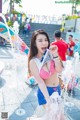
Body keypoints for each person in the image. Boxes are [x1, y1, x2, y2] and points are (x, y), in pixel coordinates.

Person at [28, 29, 64, 120]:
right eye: (40, 40)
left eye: (46, 40)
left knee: (58, 117)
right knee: (55, 117)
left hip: (57, 89)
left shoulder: (51, 54)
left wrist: (55, 55)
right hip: (46, 92)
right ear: (34, 44)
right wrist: (48, 99)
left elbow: (59, 70)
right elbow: (40, 82)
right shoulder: (33, 61)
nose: (44, 43)